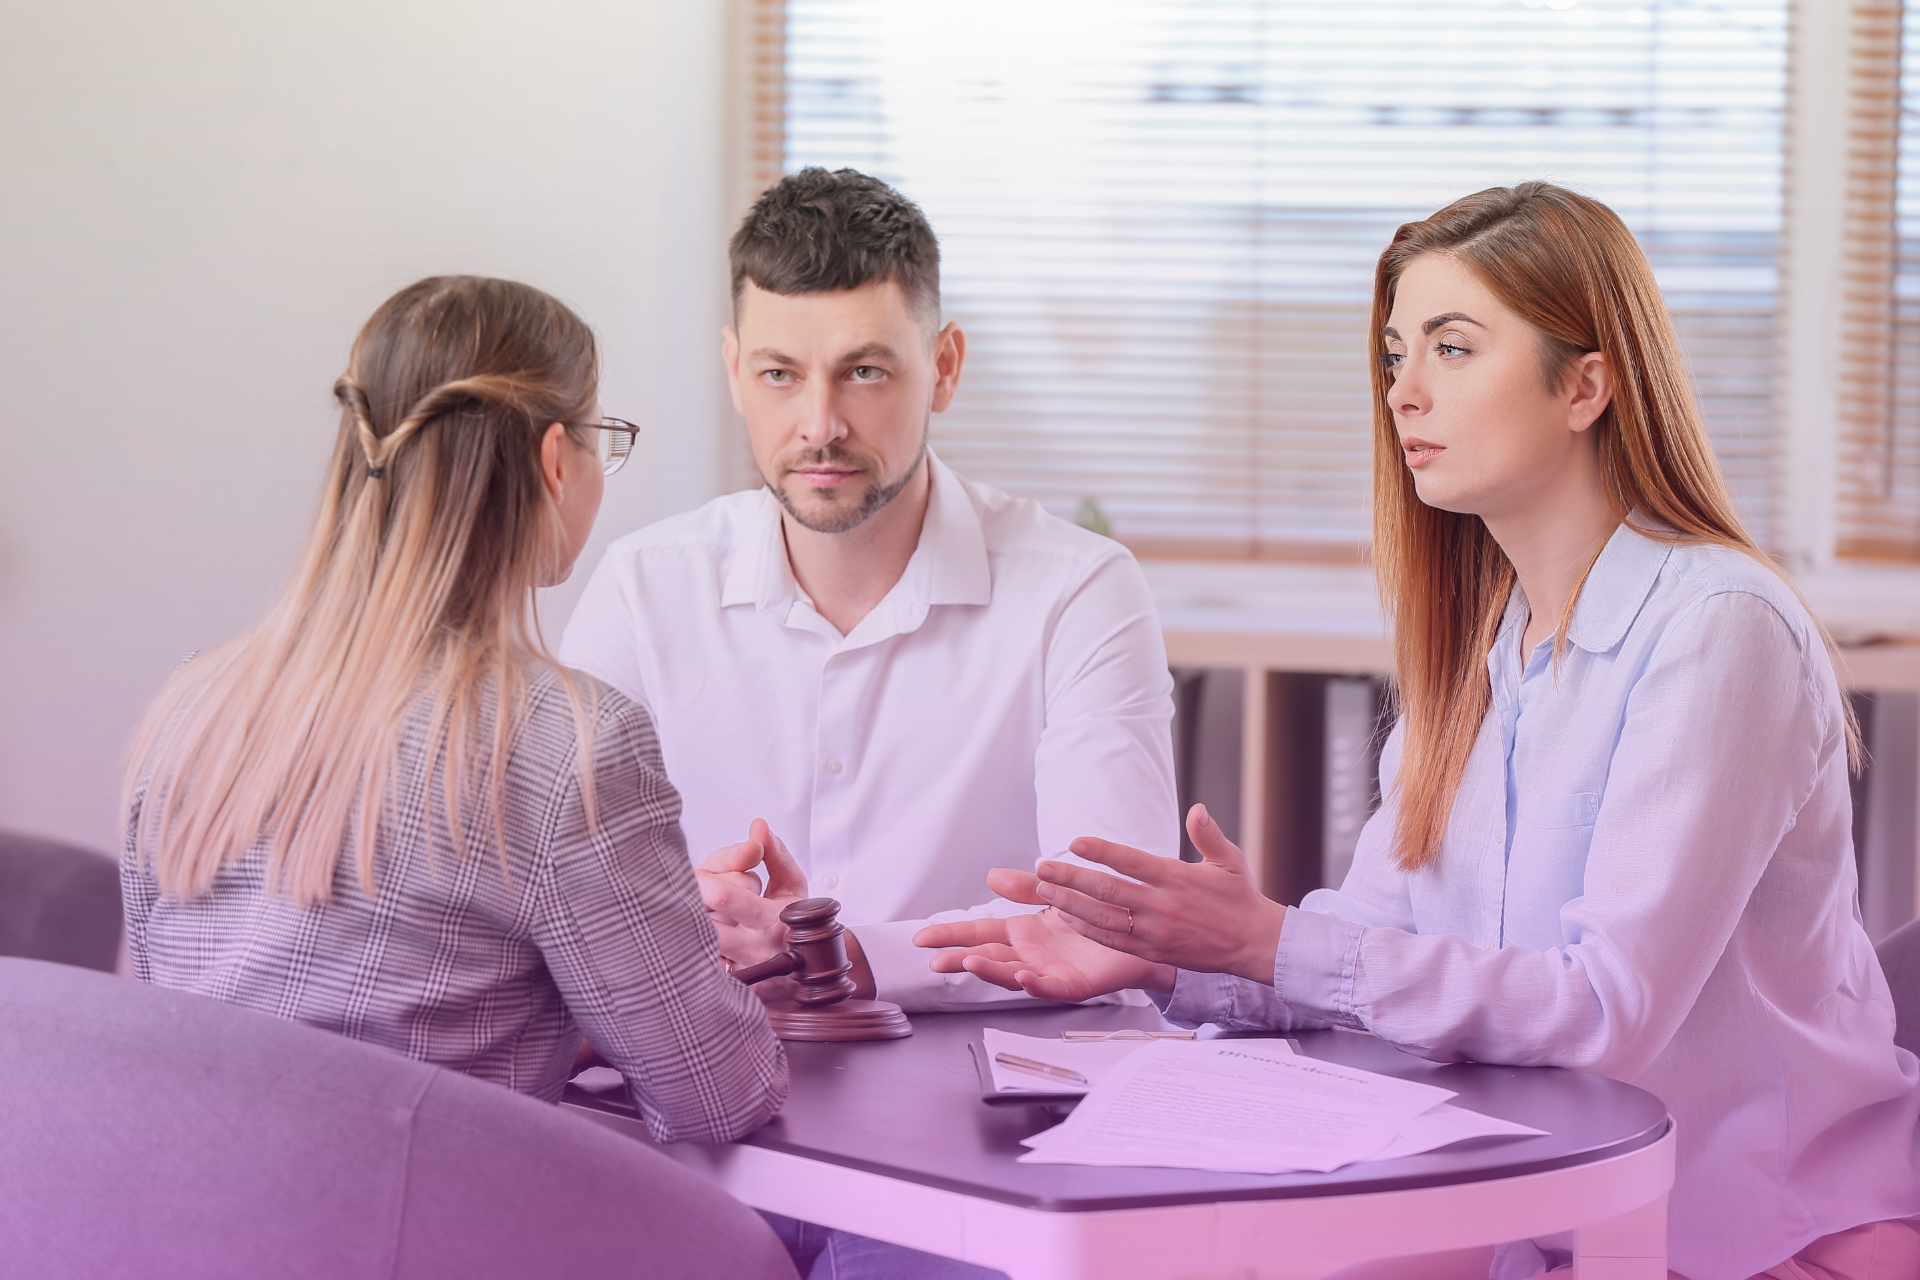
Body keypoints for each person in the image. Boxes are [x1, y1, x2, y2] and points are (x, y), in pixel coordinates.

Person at [917, 183, 1920, 1280]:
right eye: (1397, 354)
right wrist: (1167, 958)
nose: (1404, 391)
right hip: (1540, 1209)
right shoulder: (1486, 654)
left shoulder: (1720, 630)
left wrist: (1267, 937)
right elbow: (1374, 945)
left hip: (1755, 1234)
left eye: (1452, 346)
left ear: (1585, 383)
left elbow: (1602, 1014)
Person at [121, 275, 786, 1145]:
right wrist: (716, 968)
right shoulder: (569, 745)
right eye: (601, 442)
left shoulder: (193, 704)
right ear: (556, 460)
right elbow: (719, 1098)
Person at [557, 167, 1179, 1012]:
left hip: (992, 1096)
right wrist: (684, 912)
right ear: (735, 372)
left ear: (944, 368)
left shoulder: (1078, 591)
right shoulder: (644, 586)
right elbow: (562, 892)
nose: (819, 424)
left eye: (865, 372)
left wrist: (833, 954)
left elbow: (1108, 920)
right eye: (781, 374)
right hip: (724, 1069)